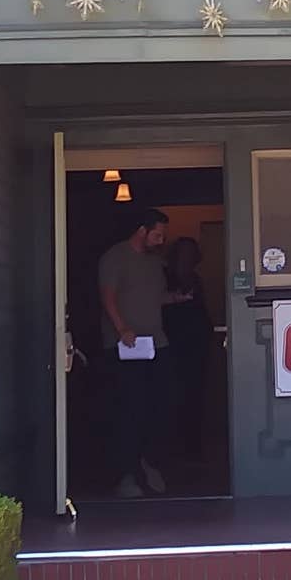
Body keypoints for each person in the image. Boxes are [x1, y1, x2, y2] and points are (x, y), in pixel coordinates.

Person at [94, 206, 172, 496]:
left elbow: (152, 297)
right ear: (142, 230)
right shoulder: (115, 258)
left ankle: (149, 464)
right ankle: (126, 475)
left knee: (158, 408)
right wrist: (122, 328)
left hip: (156, 344)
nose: (162, 240)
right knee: (127, 410)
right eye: (158, 234)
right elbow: (108, 297)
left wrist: (174, 298)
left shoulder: (155, 263)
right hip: (124, 348)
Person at [160, 235, 214, 462]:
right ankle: (170, 451)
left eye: (192, 255)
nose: (188, 259)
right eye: (184, 254)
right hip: (170, 348)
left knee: (195, 399)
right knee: (170, 399)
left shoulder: (195, 280)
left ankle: (193, 450)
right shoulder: (163, 278)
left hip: (196, 348)